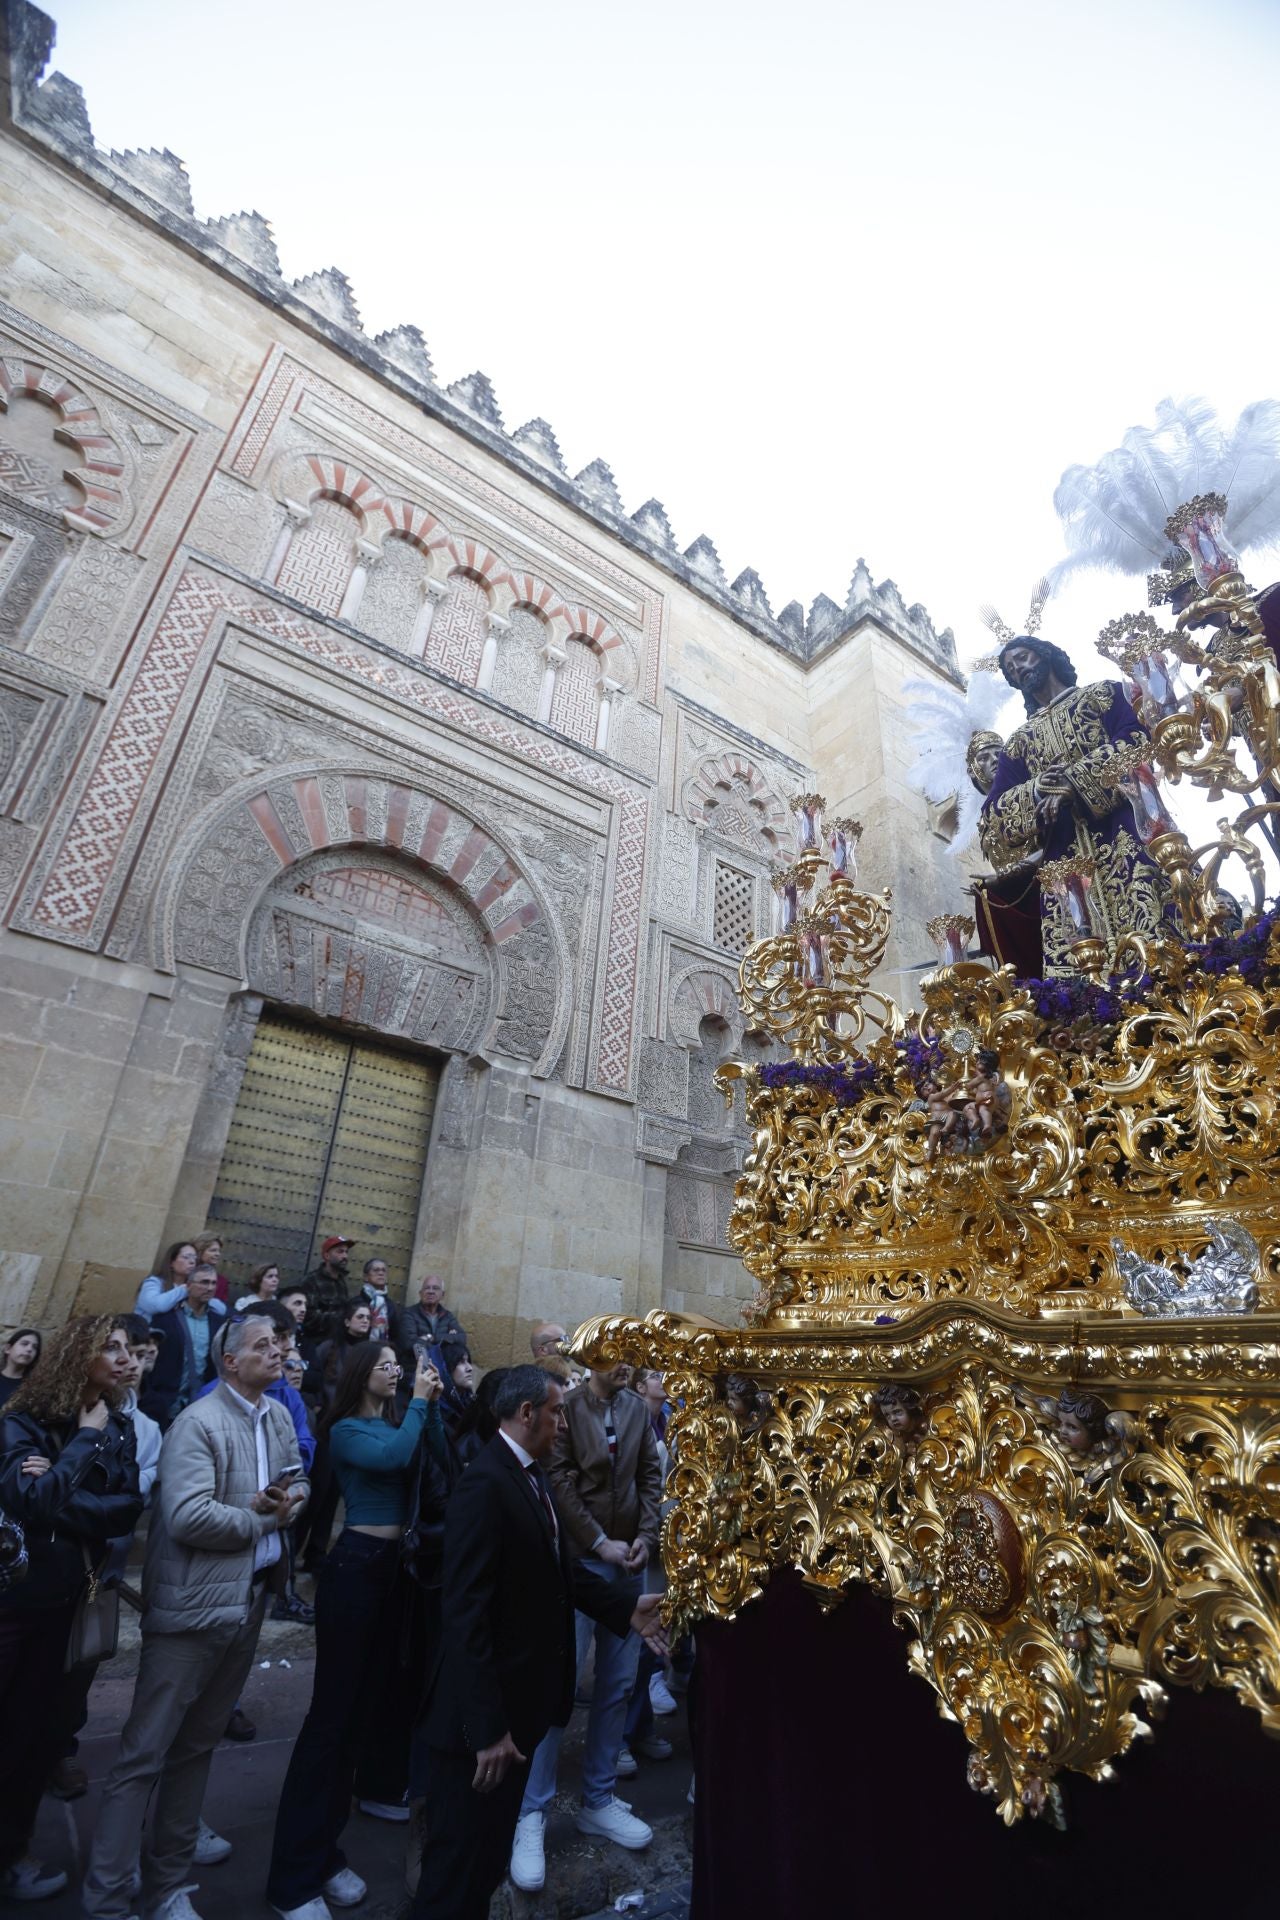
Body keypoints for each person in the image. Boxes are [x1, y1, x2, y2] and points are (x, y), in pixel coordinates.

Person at [412, 1367, 667, 1920]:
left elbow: (558, 1572)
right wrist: (487, 1730)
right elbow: (466, 1616)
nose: (561, 1421)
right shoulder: (486, 1484)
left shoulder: (530, 1475)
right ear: (526, 1414)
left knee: (480, 1868)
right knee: (454, 1871)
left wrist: (624, 1609)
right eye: (555, 1413)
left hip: (515, 1714)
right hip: (480, 1730)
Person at [82, 1315, 308, 1920]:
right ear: (229, 1361)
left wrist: (290, 1501)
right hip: (190, 1613)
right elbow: (186, 1518)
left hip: (250, 1600)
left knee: (198, 1747)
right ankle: (106, 1897)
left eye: (278, 1345)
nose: (276, 1352)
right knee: (144, 1755)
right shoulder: (198, 1422)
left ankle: (168, 1887)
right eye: (262, 1346)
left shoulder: (280, 1415)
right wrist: (267, 1519)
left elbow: (300, 1479)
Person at [266, 1344, 445, 1920]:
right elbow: (394, 1459)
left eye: (400, 1364)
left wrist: (432, 1408)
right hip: (357, 1568)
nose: (396, 1371)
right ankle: (292, 1878)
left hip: (393, 1571)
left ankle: (327, 1851)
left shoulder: (399, 1418)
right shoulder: (345, 1429)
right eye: (386, 1363)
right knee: (331, 1720)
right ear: (361, 1374)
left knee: (364, 1709)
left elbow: (432, 1455)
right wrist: (419, 1400)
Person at [0, 1315, 141, 1900]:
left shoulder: (120, 1428)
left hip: (74, 1601)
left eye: (128, 1349)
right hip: (16, 1601)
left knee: (40, 1735)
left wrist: (60, 1483)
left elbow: (126, 1509)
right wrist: (80, 1445)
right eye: (110, 1347)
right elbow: (25, 1500)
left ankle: (11, 1852)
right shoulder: (23, 1421)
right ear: (77, 1355)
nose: (123, 1357)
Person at [510, 1359, 663, 1892]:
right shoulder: (568, 1408)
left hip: (630, 1560)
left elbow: (649, 1474)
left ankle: (597, 1799)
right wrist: (599, 1542)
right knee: (559, 1683)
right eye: (616, 1355)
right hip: (583, 1561)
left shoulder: (635, 1409)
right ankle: (531, 1812)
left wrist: (646, 1534)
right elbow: (560, 1479)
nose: (627, 1365)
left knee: (618, 1685)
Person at [979, 635, 1174, 973]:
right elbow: (991, 819)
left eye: (1023, 658)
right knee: (1079, 985)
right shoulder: (1019, 744)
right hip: (1064, 864)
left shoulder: (1105, 695)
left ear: (1046, 656)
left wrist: (1074, 781)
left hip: (1128, 833)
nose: (1019, 669)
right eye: (1011, 668)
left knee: (1160, 942)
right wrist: (1038, 790)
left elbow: (1137, 741)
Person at [47, 1313, 164, 1802]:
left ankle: (59, 1750)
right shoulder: (47, 1417)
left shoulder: (139, 1427)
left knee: (79, 1666)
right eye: (118, 1351)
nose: (129, 1363)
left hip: (99, 1570)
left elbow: (132, 1499)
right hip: (44, 1571)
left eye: (137, 1354)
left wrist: (62, 1494)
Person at [296, 1301, 372, 1575]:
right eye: (360, 1316)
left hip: (351, 1434)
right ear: (347, 1321)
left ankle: (317, 1553)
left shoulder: (368, 1354)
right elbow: (313, 1381)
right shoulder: (328, 1348)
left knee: (332, 1499)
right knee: (316, 1494)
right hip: (326, 1432)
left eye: (368, 1317)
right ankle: (294, 1551)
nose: (365, 1321)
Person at [141, 1264, 228, 1429]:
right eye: (203, 1282)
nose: (209, 1288)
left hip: (200, 1404)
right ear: (188, 1285)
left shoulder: (218, 1322)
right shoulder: (166, 1319)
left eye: (213, 1283)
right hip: (163, 1401)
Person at [396, 1274, 466, 1357]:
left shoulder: (448, 1316)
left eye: (435, 1288)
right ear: (420, 1293)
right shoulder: (409, 1314)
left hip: (442, 1367)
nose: (431, 1291)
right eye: (427, 1288)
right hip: (415, 1366)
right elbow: (409, 1344)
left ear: (442, 1294)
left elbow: (461, 1338)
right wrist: (447, 1339)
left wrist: (431, 1338)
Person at [302, 1238, 355, 1343]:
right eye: (340, 1251)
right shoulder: (311, 1281)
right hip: (318, 1344)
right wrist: (342, 1318)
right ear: (327, 1256)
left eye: (346, 1252)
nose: (345, 1256)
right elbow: (308, 1317)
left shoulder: (341, 1281)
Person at [135, 1241, 199, 1322]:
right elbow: (154, 1306)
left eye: (195, 1258)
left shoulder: (194, 1287)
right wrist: (185, 1289)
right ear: (171, 1262)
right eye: (186, 1257)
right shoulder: (153, 1282)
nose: (192, 1262)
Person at [0, 1328, 41, 1406]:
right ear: (8, 1349)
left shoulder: (34, 1388)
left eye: (35, 1347)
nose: (29, 1349)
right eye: (24, 1344)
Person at [356, 1259, 393, 1345]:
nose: (381, 1273)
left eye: (384, 1270)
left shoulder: (391, 1306)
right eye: (376, 1270)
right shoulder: (356, 1303)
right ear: (366, 1277)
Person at [193, 1236, 232, 1308]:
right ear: (199, 1252)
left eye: (219, 1251)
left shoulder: (222, 1281)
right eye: (213, 1250)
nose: (218, 1254)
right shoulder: (187, 1274)